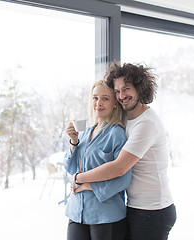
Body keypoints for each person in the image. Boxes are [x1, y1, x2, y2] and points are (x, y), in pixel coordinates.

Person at [72, 62, 177, 240]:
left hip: (153, 210)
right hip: (135, 206)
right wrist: (75, 140)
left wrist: (79, 178)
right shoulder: (126, 117)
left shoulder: (146, 123)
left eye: (126, 89)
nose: (121, 96)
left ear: (140, 89)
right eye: (117, 91)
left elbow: (119, 167)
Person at [64, 79, 133, 240]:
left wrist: (88, 186)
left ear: (115, 104)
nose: (98, 103)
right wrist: (74, 141)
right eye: (95, 98)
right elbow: (71, 168)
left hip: (106, 216)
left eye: (105, 98)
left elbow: (124, 178)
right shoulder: (86, 132)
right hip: (76, 212)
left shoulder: (117, 134)